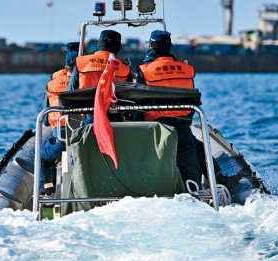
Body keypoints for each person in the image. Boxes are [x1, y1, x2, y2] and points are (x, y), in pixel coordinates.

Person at [136, 30, 202, 188]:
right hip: (182, 127)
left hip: (156, 130)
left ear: (151, 47)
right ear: (170, 46)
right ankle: (195, 190)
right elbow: (191, 101)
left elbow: (138, 103)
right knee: (190, 160)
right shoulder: (186, 70)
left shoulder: (145, 71)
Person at [40, 42, 79, 195]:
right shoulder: (88, 85)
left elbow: (44, 120)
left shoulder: (52, 84)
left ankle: (47, 189)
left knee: (41, 155)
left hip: (61, 141)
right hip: (86, 140)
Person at [67, 30, 132, 91]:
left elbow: (70, 93)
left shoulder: (81, 63)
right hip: (112, 103)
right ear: (118, 47)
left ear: (99, 44)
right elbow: (130, 95)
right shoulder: (125, 69)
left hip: (83, 103)